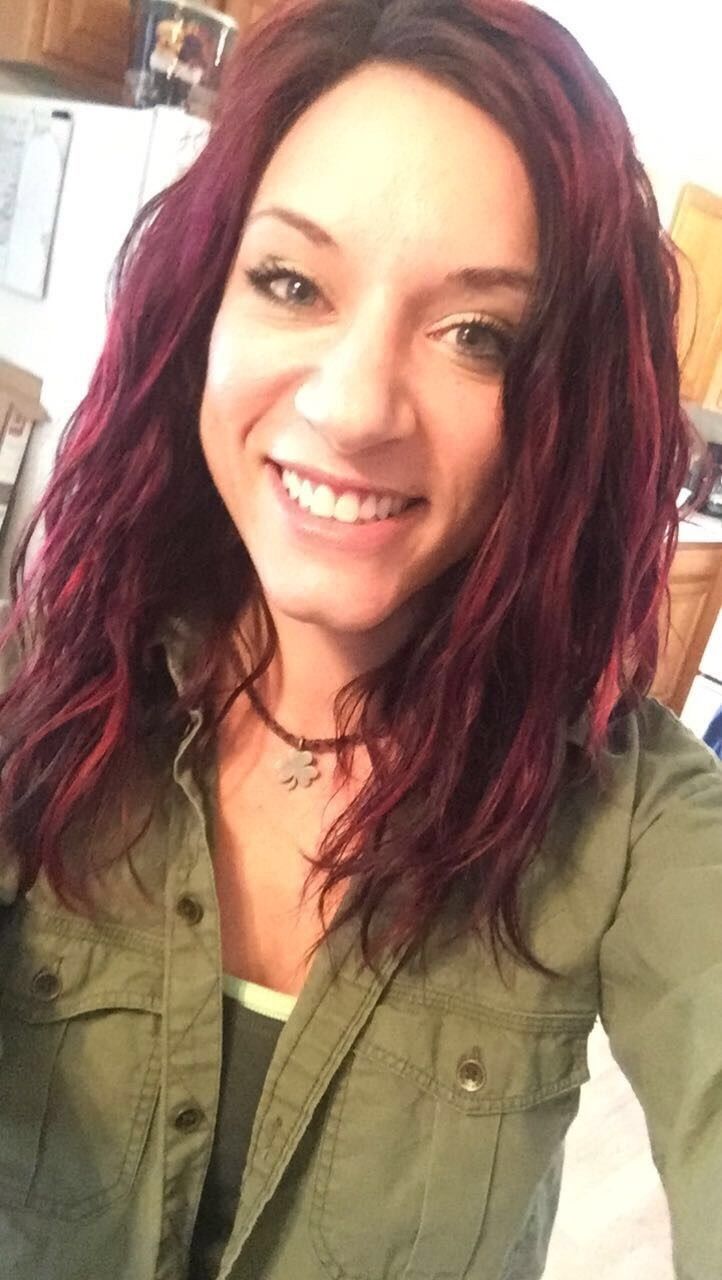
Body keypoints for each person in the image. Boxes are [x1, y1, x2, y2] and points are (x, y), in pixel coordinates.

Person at [0, 0, 720, 1276]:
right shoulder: (42, 684)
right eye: (291, 282)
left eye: (477, 335)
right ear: (200, 309)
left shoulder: (629, 823)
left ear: (562, 406)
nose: (350, 407)